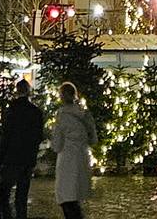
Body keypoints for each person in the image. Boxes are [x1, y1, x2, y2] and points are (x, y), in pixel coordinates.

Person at [0, 79, 44, 219]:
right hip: (27, 159)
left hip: (11, 159)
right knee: (22, 196)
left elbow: (5, 137)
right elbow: (39, 136)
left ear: (17, 91)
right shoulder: (36, 112)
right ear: (28, 91)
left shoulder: (11, 111)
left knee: (4, 195)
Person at [51, 82, 97, 219]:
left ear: (62, 96)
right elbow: (93, 139)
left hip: (67, 160)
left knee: (66, 198)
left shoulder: (61, 115)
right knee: (76, 198)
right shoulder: (85, 113)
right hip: (82, 158)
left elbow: (57, 145)